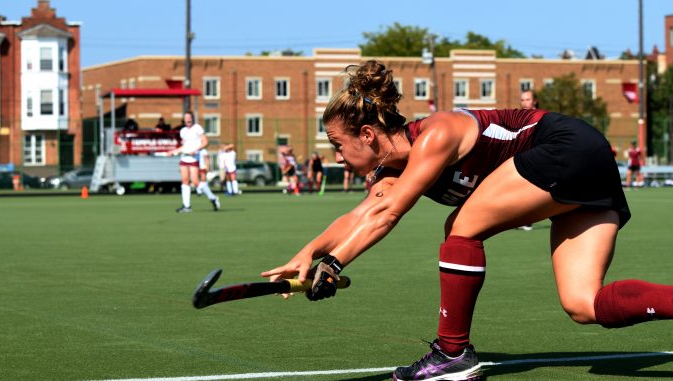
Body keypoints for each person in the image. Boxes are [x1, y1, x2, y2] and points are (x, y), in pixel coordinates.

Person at [261, 60, 673, 381]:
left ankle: (452, 354)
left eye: (337, 145)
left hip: (564, 147)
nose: (335, 156)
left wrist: (334, 265)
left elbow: (390, 213)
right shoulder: (392, 173)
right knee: (583, 305)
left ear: (367, 135)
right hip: (584, 170)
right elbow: (363, 213)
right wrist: (310, 252)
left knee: (461, 227)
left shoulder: (436, 134)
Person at [165, 111, 219, 212]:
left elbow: (206, 142)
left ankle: (213, 198)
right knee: (185, 181)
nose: (188, 120)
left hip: (194, 158)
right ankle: (187, 206)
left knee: (195, 181)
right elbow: (184, 146)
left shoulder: (197, 128)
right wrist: (174, 151)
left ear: (192, 118)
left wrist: (196, 150)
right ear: (184, 119)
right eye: (186, 118)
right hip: (184, 158)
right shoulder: (183, 131)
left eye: (189, 118)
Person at [516, 89, 539, 231]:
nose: (525, 103)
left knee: (531, 190)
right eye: (523, 100)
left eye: (528, 99)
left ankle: (528, 220)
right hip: (522, 157)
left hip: (536, 158)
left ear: (534, 101)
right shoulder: (519, 117)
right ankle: (522, 219)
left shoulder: (541, 116)